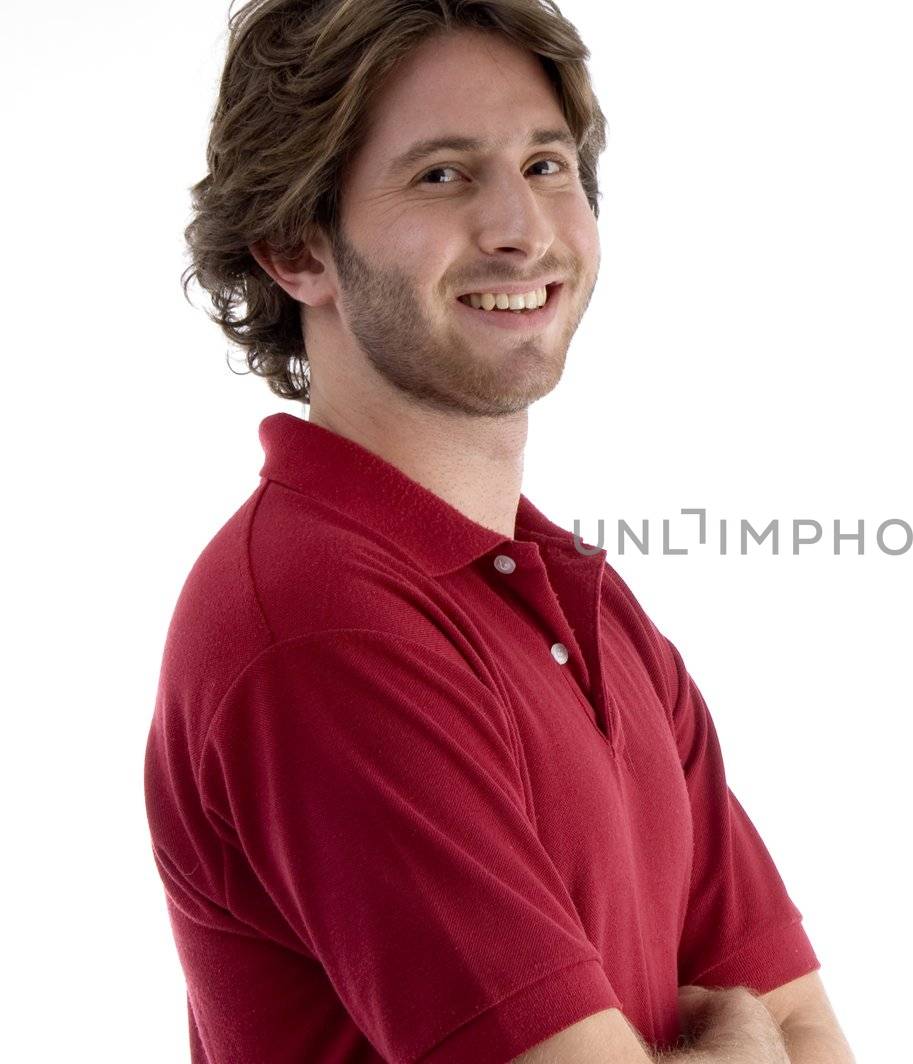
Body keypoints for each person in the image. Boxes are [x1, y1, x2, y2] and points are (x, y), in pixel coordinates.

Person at [142, 2, 854, 1061]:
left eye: (547, 165)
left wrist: (757, 1030)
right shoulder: (325, 627)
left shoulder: (583, 601)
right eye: (443, 174)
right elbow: (764, 1029)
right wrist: (738, 1037)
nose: (522, 226)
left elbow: (800, 1021)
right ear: (296, 247)